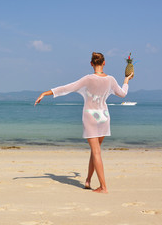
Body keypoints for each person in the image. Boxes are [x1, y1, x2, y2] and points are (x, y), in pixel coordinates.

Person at [34, 52, 134, 193]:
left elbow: (67, 88)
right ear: (104, 63)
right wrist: (126, 80)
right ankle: (87, 181)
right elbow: (123, 94)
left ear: (91, 63)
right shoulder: (111, 79)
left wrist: (45, 93)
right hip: (104, 117)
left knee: (96, 152)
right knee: (96, 151)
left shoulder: (88, 79)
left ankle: (103, 187)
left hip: (91, 118)